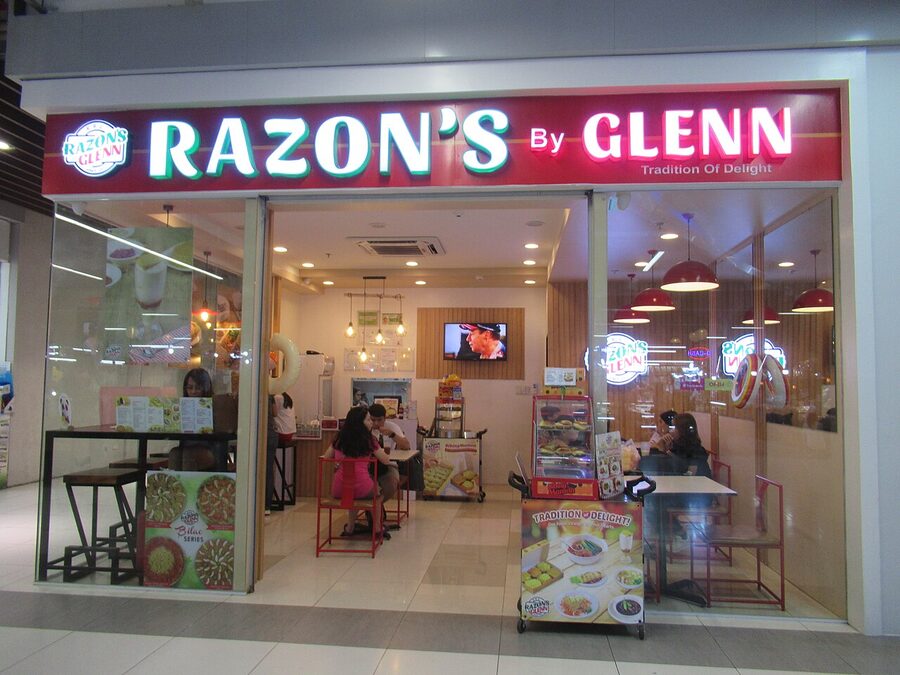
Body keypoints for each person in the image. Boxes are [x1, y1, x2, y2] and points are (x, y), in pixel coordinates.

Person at [323, 406, 396, 537]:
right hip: (363, 488)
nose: (371, 423)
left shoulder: (339, 438)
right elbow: (385, 460)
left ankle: (350, 527)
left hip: (340, 489)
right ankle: (378, 529)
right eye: (368, 420)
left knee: (351, 492)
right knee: (378, 496)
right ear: (359, 423)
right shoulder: (369, 440)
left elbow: (326, 457)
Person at [368, 403, 409, 525]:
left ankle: (375, 507)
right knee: (363, 483)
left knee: (391, 484)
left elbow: (406, 446)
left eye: (379, 420)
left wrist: (392, 434)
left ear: (385, 418)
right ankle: (372, 508)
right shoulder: (365, 427)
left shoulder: (392, 427)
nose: (375, 423)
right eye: (372, 420)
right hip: (367, 465)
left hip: (388, 464)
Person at [169, 368, 217, 471]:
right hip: (187, 446)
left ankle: (187, 486)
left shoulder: (214, 406)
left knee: (188, 454)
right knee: (174, 453)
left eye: (198, 388)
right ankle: (176, 485)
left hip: (210, 449)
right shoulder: (180, 407)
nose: (193, 392)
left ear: (206, 388)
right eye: (190, 388)